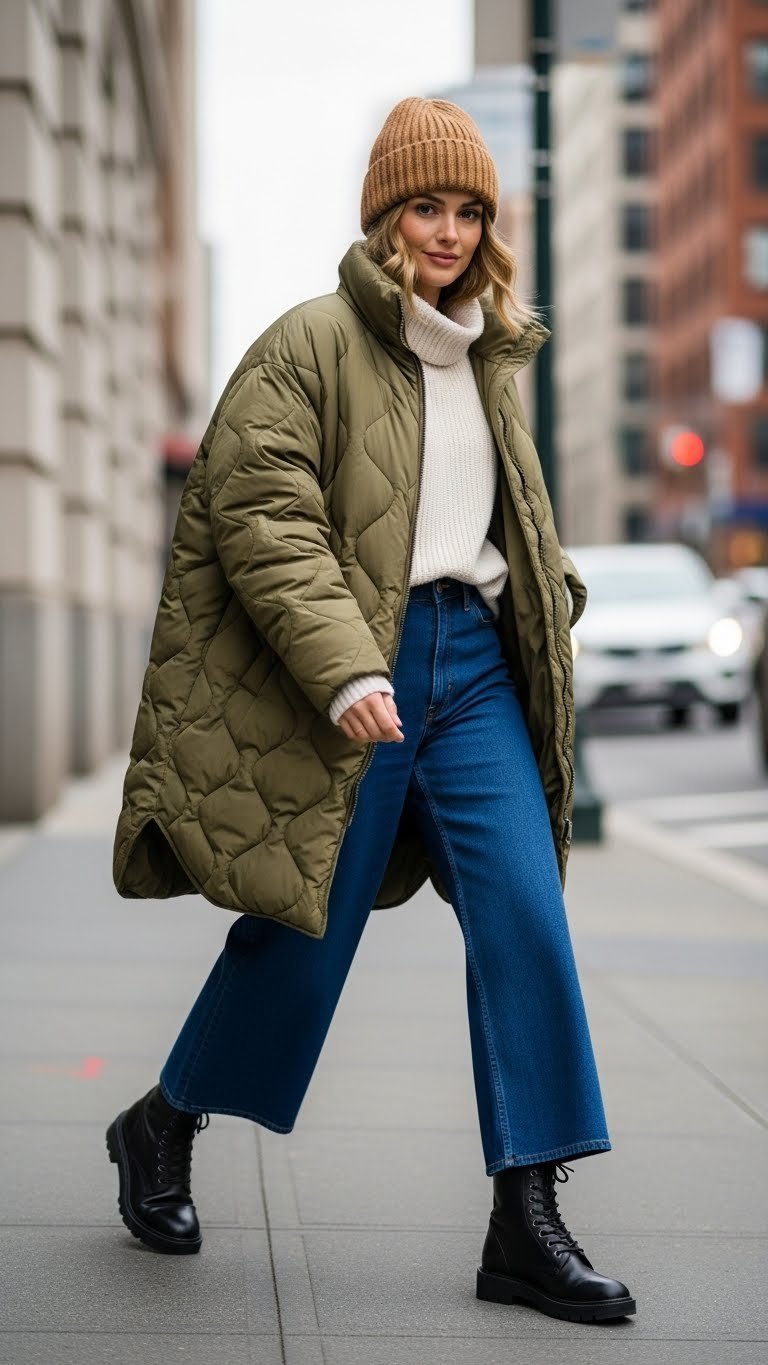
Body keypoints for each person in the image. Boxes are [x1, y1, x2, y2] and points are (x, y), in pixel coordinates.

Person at [106, 96, 636, 1324]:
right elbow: (262, 514)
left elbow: (504, 523)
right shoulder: (308, 346)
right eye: (425, 206)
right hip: (360, 667)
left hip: (478, 674)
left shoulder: (495, 358)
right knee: (307, 933)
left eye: (468, 210)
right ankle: (161, 1123)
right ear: (384, 215)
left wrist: (548, 593)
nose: (447, 231)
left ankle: (527, 1217)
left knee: (528, 923)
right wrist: (348, 666)